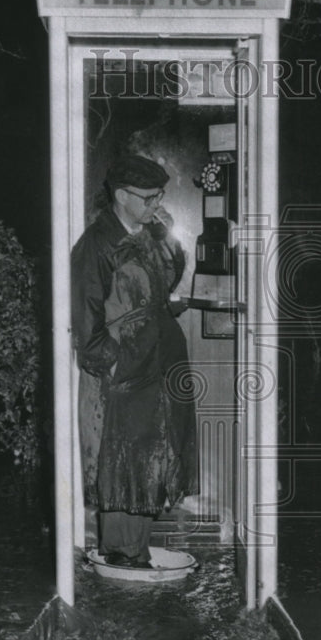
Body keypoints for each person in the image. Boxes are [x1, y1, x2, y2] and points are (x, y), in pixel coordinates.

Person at [70, 153, 197, 566]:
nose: (155, 205)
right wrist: (116, 362)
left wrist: (165, 236)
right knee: (124, 466)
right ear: (121, 196)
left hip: (158, 364)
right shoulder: (96, 244)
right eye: (148, 198)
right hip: (125, 376)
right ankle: (122, 560)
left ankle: (135, 556)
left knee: (152, 460)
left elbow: (168, 278)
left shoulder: (148, 234)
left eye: (160, 196)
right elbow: (86, 323)